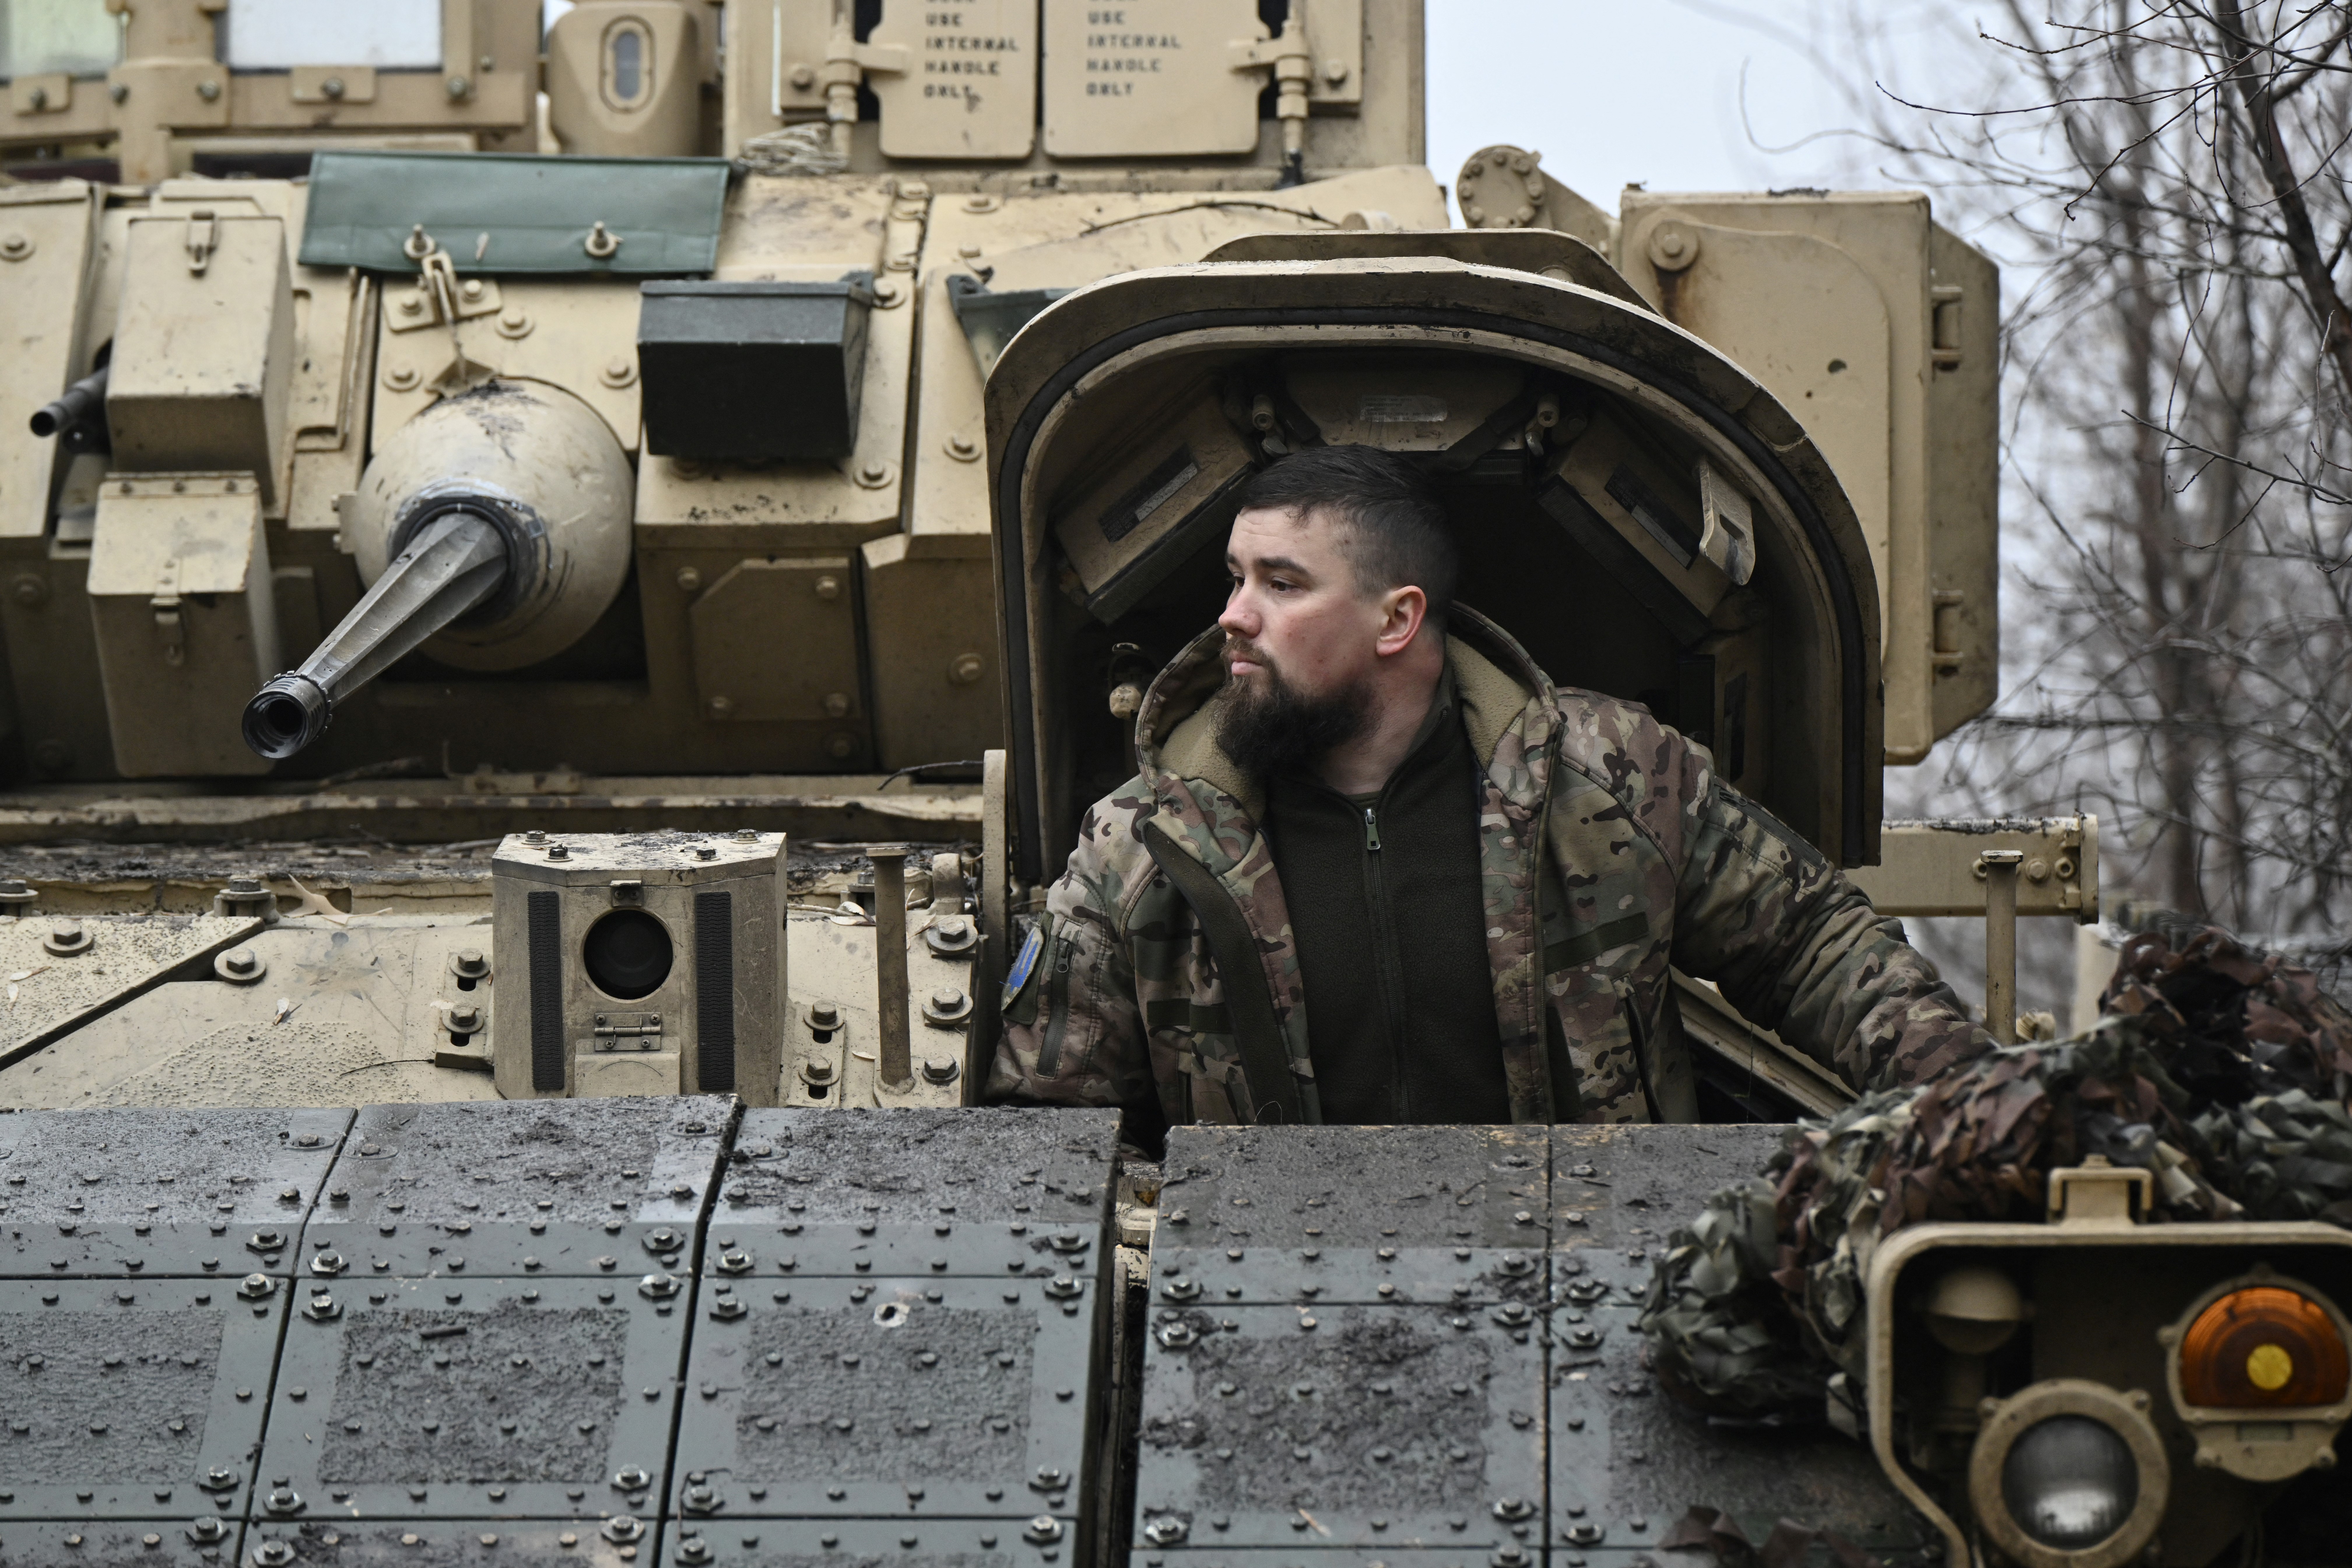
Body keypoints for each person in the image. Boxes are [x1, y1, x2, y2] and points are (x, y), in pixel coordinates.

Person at [988, 443, 1989, 1130]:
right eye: (1235, 576)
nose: (1233, 618)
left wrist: (1968, 1095)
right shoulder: (1143, 841)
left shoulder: (1611, 775)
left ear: (1396, 620)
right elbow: (1051, 1127)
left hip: (1593, 1311)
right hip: (1262, 1325)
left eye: (1281, 584)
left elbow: (1809, 941)